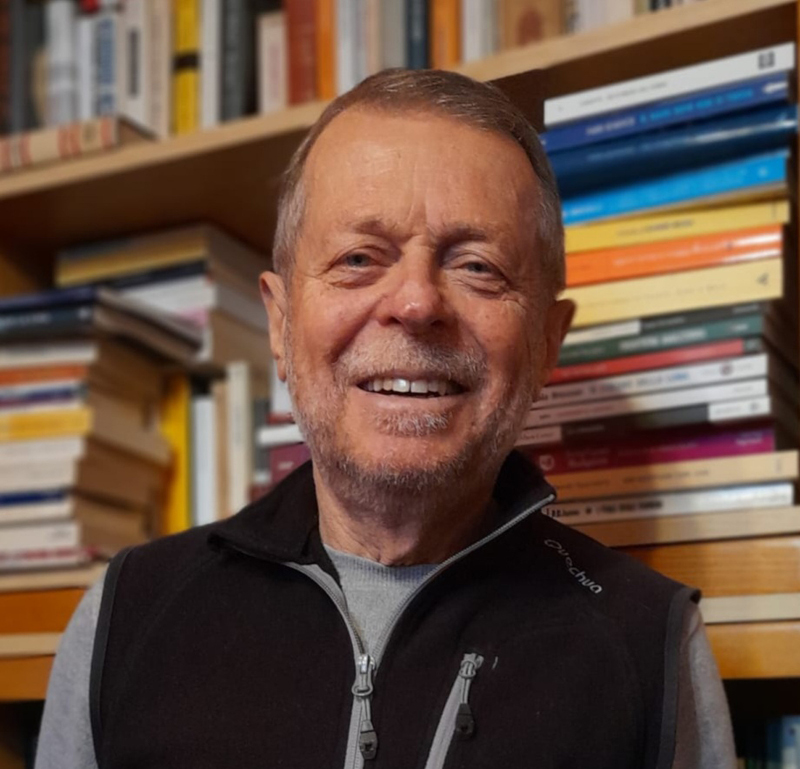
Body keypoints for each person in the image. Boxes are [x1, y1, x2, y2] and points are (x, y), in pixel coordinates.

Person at [35, 69, 736, 769]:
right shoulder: (124, 617)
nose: (416, 303)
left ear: (547, 342)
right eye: (359, 258)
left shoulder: (652, 645)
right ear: (279, 323)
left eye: (478, 266)